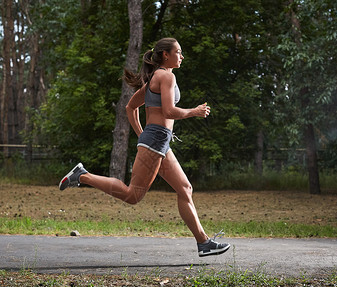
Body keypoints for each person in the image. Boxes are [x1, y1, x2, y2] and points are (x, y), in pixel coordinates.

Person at [59, 37, 230, 257]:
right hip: (155, 142)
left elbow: (131, 107)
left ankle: (203, 243)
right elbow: (168, 111)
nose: (182, 56)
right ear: (166, 55)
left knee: (185, 188)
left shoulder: (154, 79)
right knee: (133, 195)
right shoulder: (166, 76)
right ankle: (82, 176)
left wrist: (142, 134)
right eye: (178, 52)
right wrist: (193, 112)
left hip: (158, 141)